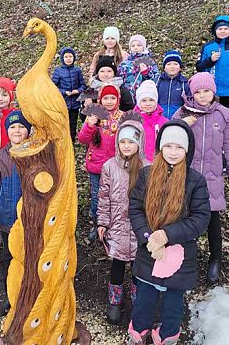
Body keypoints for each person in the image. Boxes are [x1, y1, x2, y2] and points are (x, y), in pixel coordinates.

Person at [127, 120, 211, 345]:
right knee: (144, 296)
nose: (173, 153)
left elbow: (201, 218)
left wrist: (167, 235)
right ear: (160, 148)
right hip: (149, 249)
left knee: (173, 300)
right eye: (168, 146)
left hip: (180, 251)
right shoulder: (146, 174)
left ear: (187, 150)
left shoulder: (195, 181)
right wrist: (147, 236)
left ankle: (167, 335)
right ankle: (139, 331)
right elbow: (135, 207)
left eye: (179, 148)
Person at [173, 72, 229, 283]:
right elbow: (170, 141)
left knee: (213, 223)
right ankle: (185, 260)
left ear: (214, 92)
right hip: (188, 178)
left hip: (212, 178)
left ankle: (215, 260)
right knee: (186, 220)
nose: (203, 96)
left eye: (207, 91)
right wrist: (183, 124)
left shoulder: (224, 115)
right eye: (198, 92)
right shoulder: (182, 112)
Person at [97, 119, 150, 325]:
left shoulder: (147, 167)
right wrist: (102, 222)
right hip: (117, 225)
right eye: (122, 142)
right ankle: (114, 300)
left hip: (139, 227)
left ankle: (138, 299)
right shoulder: (109, 166)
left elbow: (152, 200)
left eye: (131, 142)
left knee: (139, 265)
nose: (126, 146)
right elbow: (103, 197)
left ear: (139, 143)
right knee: (118, 264)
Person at [0, 110, 32, 316]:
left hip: (29, 216)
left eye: (21, 127)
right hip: (7, 216)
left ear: (28, 131)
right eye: (13, 127)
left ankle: (29, 295)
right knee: (10, 258)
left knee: (30, 256)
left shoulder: (35, 153)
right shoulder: (0, 156)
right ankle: (11, 295)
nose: (17, 130)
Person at [78, 84, 124, 241]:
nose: (109, 101)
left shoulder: (123, 117)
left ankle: (112, 226)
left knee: (114, 197)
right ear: (100, 99)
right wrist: (90, 124)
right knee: (97, 197)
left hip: (117, 166)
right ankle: (97, 225)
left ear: (118, 99)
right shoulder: (94, 115)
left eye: (113, 98)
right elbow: (82, 139)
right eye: (106, 98)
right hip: (97, 166)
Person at [195, 15, 229, 110]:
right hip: (210, 90)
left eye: (226, 28)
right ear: (214, 31)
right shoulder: (207, 47)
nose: (223, 31)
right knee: (210, 116)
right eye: (220, 29)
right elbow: (199, 68)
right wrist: (210, 60)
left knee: (225, 116)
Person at [52, 47, 87, 142]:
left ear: (74, 58)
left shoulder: (77, 71)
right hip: (62, 103)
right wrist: (64, 92)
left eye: (70, 56)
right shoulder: (58, 71)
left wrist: (78, 91)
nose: (68, 58)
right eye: (66, 56)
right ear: (62, 58)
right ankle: (63, 143)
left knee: (73, 124)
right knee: (63, 124)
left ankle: (71, 142)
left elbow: (83, 85)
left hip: (75, 104)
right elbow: (53, 87)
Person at [134, 80, 169, 161]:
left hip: (158, 163)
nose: (148, 104)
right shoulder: (134, 122)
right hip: (138, 163)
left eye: (151, 100)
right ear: (139, 103)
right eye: (144, 100)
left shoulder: (164, 122)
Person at [117, 35, 159, 101]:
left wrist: (146, 72)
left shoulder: (148, 61)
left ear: (143, 47)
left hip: (143, 96)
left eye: (139, 45)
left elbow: (156, 79)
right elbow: (118, 77)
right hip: (127, 95)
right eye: (133, 46)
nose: (136, 48)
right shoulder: (125, 63)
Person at [156, 50, 191, 119]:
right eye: (169, 64)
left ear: (180, 67)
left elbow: (189, 102)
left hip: (178, 118)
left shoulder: (184, 83)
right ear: (164, 68)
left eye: (175, 64)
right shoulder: (157, 81)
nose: (172, 67)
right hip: (160, 118)